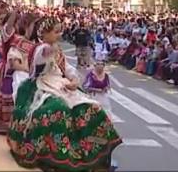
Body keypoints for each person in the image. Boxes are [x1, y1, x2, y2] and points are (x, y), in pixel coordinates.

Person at [7, 16, 121, 171]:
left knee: (92, 107)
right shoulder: (39, 49)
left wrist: (74, 80)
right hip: (43, 86)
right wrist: (49, 49)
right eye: (56, 32)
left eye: (60, 31)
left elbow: (67, 69)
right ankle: (56, 156)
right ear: (45, 33)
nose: (59, 35)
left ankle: (92, 156)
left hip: (62, 84)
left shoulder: (57, 49)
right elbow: (41, 59)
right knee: (57, 109)